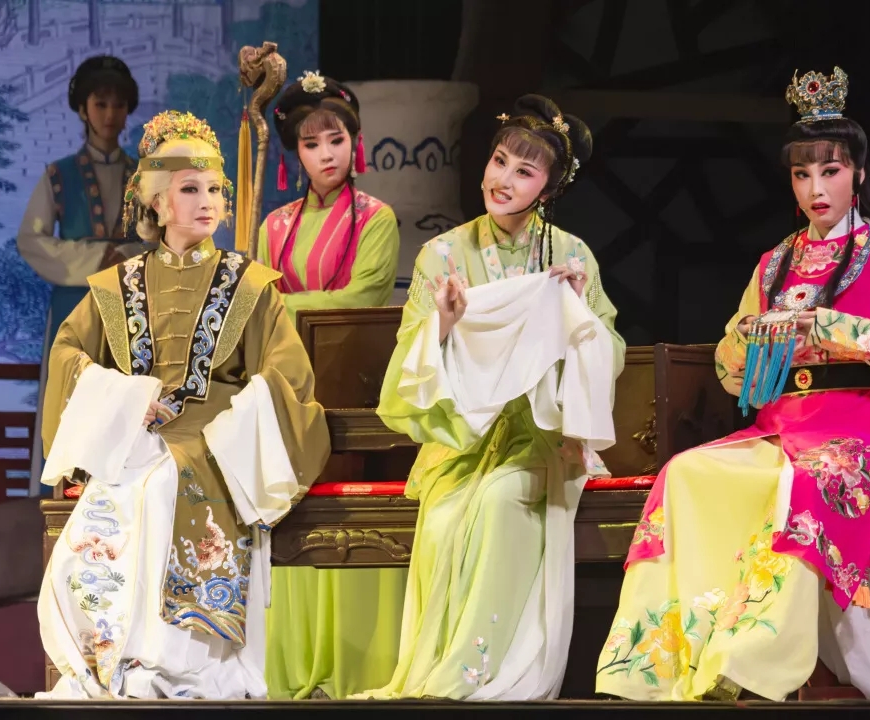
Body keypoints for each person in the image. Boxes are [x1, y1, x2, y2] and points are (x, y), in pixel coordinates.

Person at [595, 67, 870, 703]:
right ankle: (664, 661)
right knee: (684, 474)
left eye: (830, 171)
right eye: (801, 174)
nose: (816, 188)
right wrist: (753, 336)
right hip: (783, 426)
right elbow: (729, 366)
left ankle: (747, 660)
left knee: (807, 485)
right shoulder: (774, 263)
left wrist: (832, 326)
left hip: (863, 428)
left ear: (858, 174)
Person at [35, 110, 330, 699]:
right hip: (137, 434)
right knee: (113, 499)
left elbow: (286, 374)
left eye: (215, 190)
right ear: (157, 203)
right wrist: (125, 399)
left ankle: (178, 664)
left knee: (162, 486)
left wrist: (241, 421)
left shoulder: (249, 285)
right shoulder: (119, 284)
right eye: (190, 189)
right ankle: (113, 658)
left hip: (216, 438)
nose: (208, 202)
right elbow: (67, 352)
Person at [356, 94, 625, 701]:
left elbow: (607, 352)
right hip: (462, 438)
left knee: (503, 501)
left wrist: (576, 314)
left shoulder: (571, 256)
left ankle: (483, 677)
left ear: (548, 189)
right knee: (445, 519)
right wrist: (444, 325)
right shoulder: (443, 254)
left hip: (540, 435)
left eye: (524, 172)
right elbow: (407, 363)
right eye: (500, 160)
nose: (503, 180)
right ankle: (438, 674)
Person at [259, 70, 403, 700]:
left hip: (350, 378)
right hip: (289, 384)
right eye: (311, 143)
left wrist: (283, 303)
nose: (325, 154)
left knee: (348, 512)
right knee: (291, 511)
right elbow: (258, 308)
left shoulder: (377, 218)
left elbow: (362, 299)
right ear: (296, 153)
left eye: (336, 140)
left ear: (355, 142)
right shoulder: (274, 225)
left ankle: (354, 664)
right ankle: (291, 662)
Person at [18, 55, 146, 495]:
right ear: (82, 109)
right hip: (73, 305)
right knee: (69, 395)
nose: (110, 114)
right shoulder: (59, 175)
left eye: (118, 105)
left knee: (128, 399)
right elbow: (31, 240)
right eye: (100, 104)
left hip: (130, 304)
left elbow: (162, 240)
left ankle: (127, 493)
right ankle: (61, 499)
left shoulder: (144, 177)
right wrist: (95, 261)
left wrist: (124, 257)